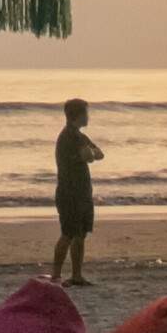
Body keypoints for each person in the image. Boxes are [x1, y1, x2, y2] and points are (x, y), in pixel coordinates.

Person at [51, 98, 102, 286]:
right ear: (78, 115)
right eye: (86, 113)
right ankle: (56, 274)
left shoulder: (80, 136)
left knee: (80, 234)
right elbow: (84, 157)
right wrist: (87, 154)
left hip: (83, 191)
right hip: (69, 192)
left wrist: (91, 153)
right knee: (68, 233)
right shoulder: (67, 136)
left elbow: (99, 153)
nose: (88, 117)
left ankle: (77, 274)